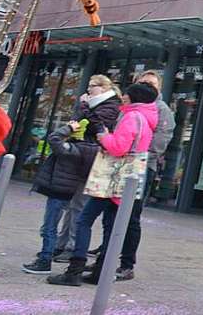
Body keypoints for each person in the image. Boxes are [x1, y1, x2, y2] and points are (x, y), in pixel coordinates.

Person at [47, 82, 158, 287]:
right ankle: (101, 270)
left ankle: (75, 268)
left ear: (134, 98)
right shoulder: (148, 119)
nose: (124, 96)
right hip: (129, 181)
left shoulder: (132, 117)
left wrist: (103, 136)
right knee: (110, 226)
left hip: (112, 180)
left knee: (84, 220)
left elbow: (118, 147)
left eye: (127, 94)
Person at [91, 69, 176, 281]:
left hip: (143, 167)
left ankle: (127, 263)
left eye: (152, 83)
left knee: (131, 217)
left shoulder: (162, 110)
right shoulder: (129, 107)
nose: (147, 86)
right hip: (119, 164)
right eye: (144, 82)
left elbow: (159, 142)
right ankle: (106, 257)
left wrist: (133, 151)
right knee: (112, 214)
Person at [32, 75, 120, 270]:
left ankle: (70, 246)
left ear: (104, 88)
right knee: (70, 204)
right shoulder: (90, 104)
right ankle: (60, 245)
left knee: (78, 205)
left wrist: (86, 108)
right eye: (88, 86)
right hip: (77, 154)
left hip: (88, 157)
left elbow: (96, 124)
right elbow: (79, 122)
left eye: (93, 87)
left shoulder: (109, 106)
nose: (89, 90)